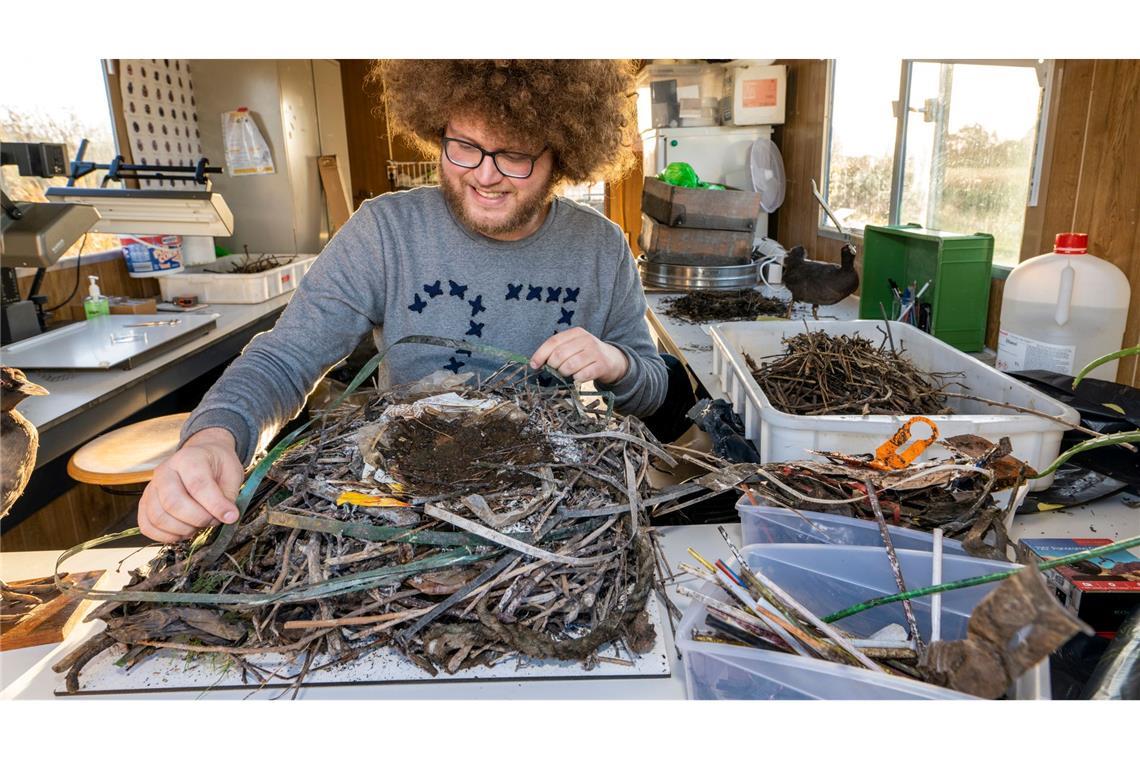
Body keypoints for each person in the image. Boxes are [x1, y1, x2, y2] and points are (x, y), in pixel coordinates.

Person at [137, 60, 671, 543]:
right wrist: (215, 436)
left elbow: (652, 386)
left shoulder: (600, 247)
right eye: (463, 145)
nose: (484, 175)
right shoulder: (385, 231)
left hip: (551, 510)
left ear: (561, 155)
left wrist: (616, 363)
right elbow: (286, 357)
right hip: (411, 503)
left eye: (513, 155)